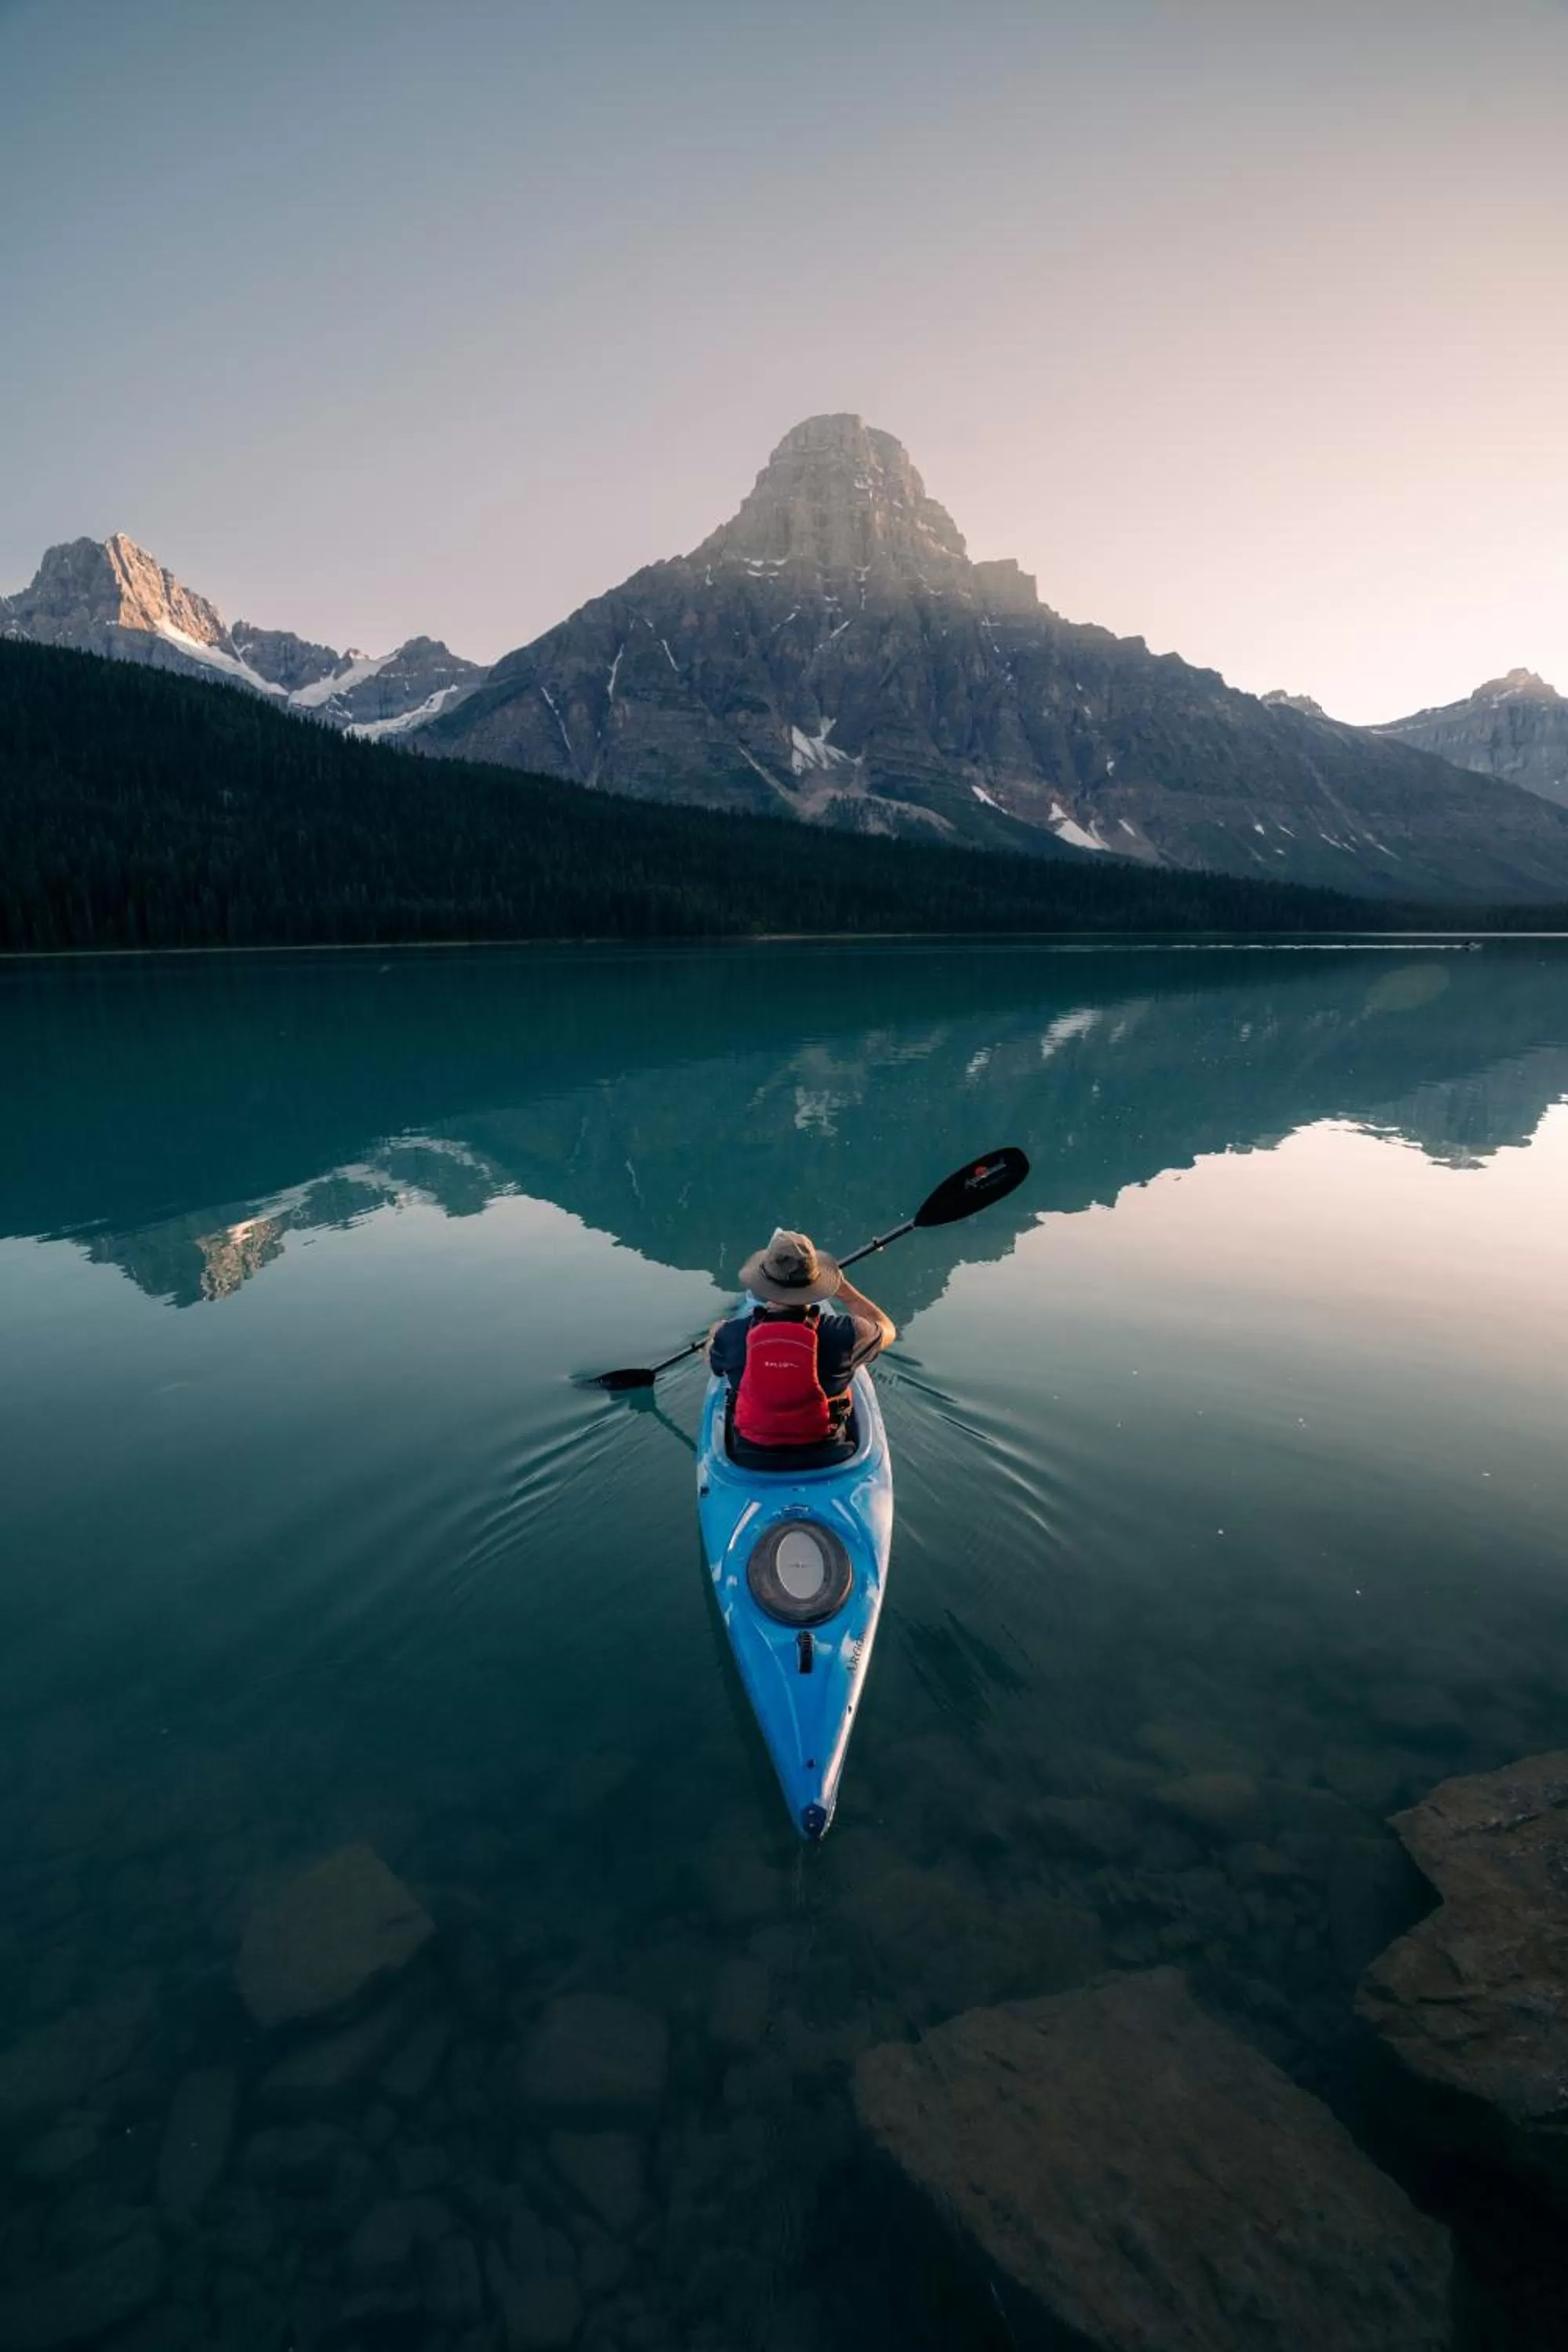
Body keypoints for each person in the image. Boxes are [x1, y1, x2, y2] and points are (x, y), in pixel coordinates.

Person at [708, 1229, 895, 1458]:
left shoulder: (730, 1335)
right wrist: (846, 1292)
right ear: (817, 1282)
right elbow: (888, 1329)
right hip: (829, 1455)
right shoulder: (848, 1333)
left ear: (764, 1283)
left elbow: (715, 1366)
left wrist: (716, 1335)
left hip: (751, 1457)